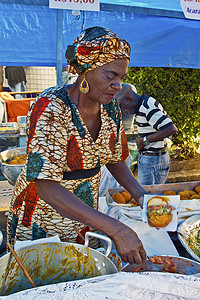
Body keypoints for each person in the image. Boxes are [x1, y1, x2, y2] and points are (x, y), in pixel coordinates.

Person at [7, 26, 147, 265]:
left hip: (84, 216)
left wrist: (141, 195)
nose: (118, 85)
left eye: (121, 78)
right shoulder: (52, 107)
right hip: (40, 219)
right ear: (85, 70)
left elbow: (115, 159)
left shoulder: (110, 107)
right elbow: (46, 186)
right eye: (110, 75)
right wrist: (116, 229)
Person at [116, 83, 178, 186]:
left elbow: (171, 128)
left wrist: (145, 140)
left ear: (129, 99)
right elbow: (167, 120)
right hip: (155, 158)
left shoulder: (146, 107)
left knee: (145, 196)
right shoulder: (145, 104)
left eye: (123, 107)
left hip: (153, 160)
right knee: (154, 195)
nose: (125, 112)